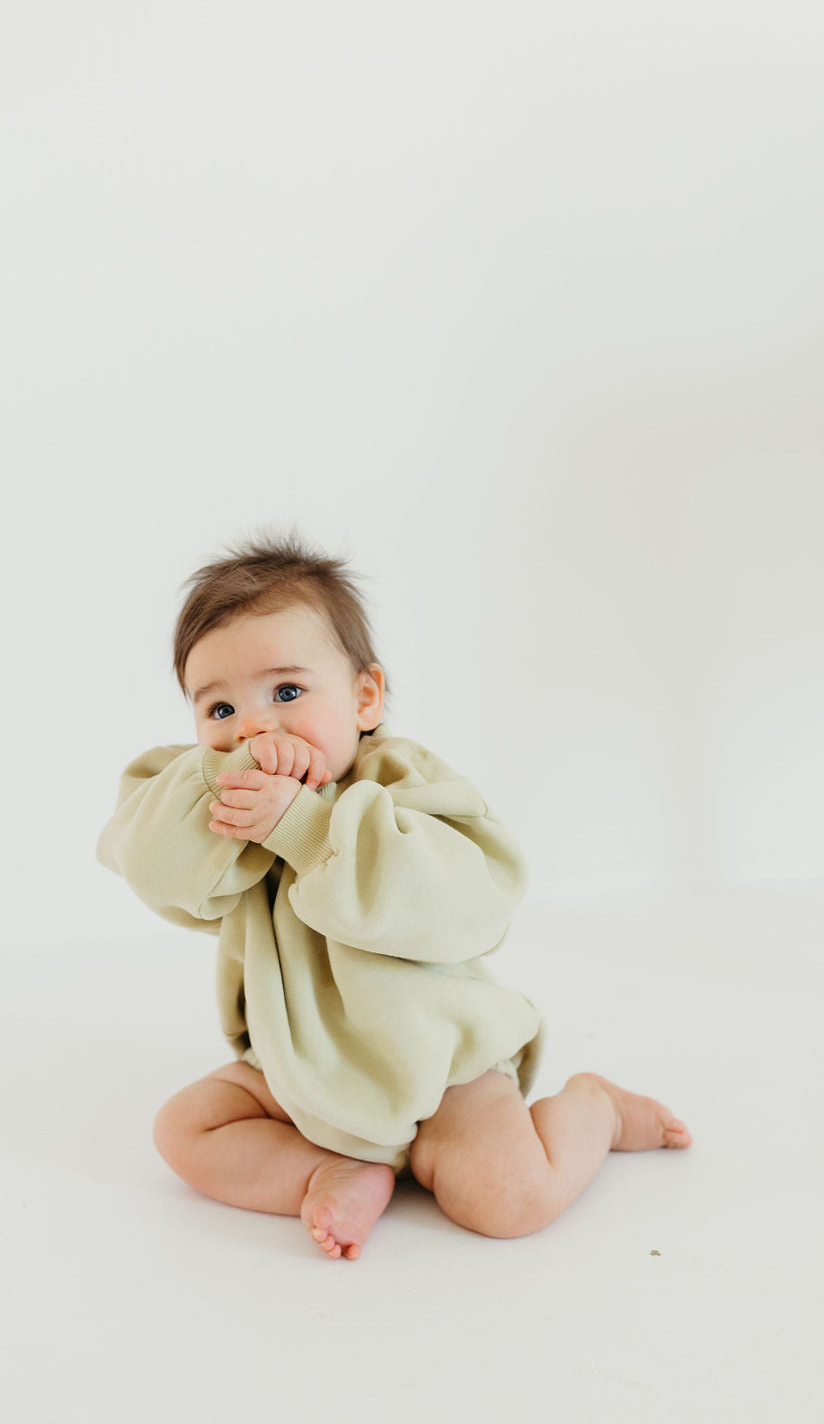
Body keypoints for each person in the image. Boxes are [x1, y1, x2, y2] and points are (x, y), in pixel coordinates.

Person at [96, 527, 691, 1262]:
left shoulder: (402, 783)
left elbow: (474, 900)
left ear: (365, 697)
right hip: (303, 1071)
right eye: (219, 710)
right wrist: (227, 784)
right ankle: (334, 1167)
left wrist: (308, 829)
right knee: (183, 1129)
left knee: (510, 1201)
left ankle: (594, 1110)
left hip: (443, 1074)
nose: (254, 726)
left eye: (287, 691)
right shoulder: (209, 798)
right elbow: (150, 866)